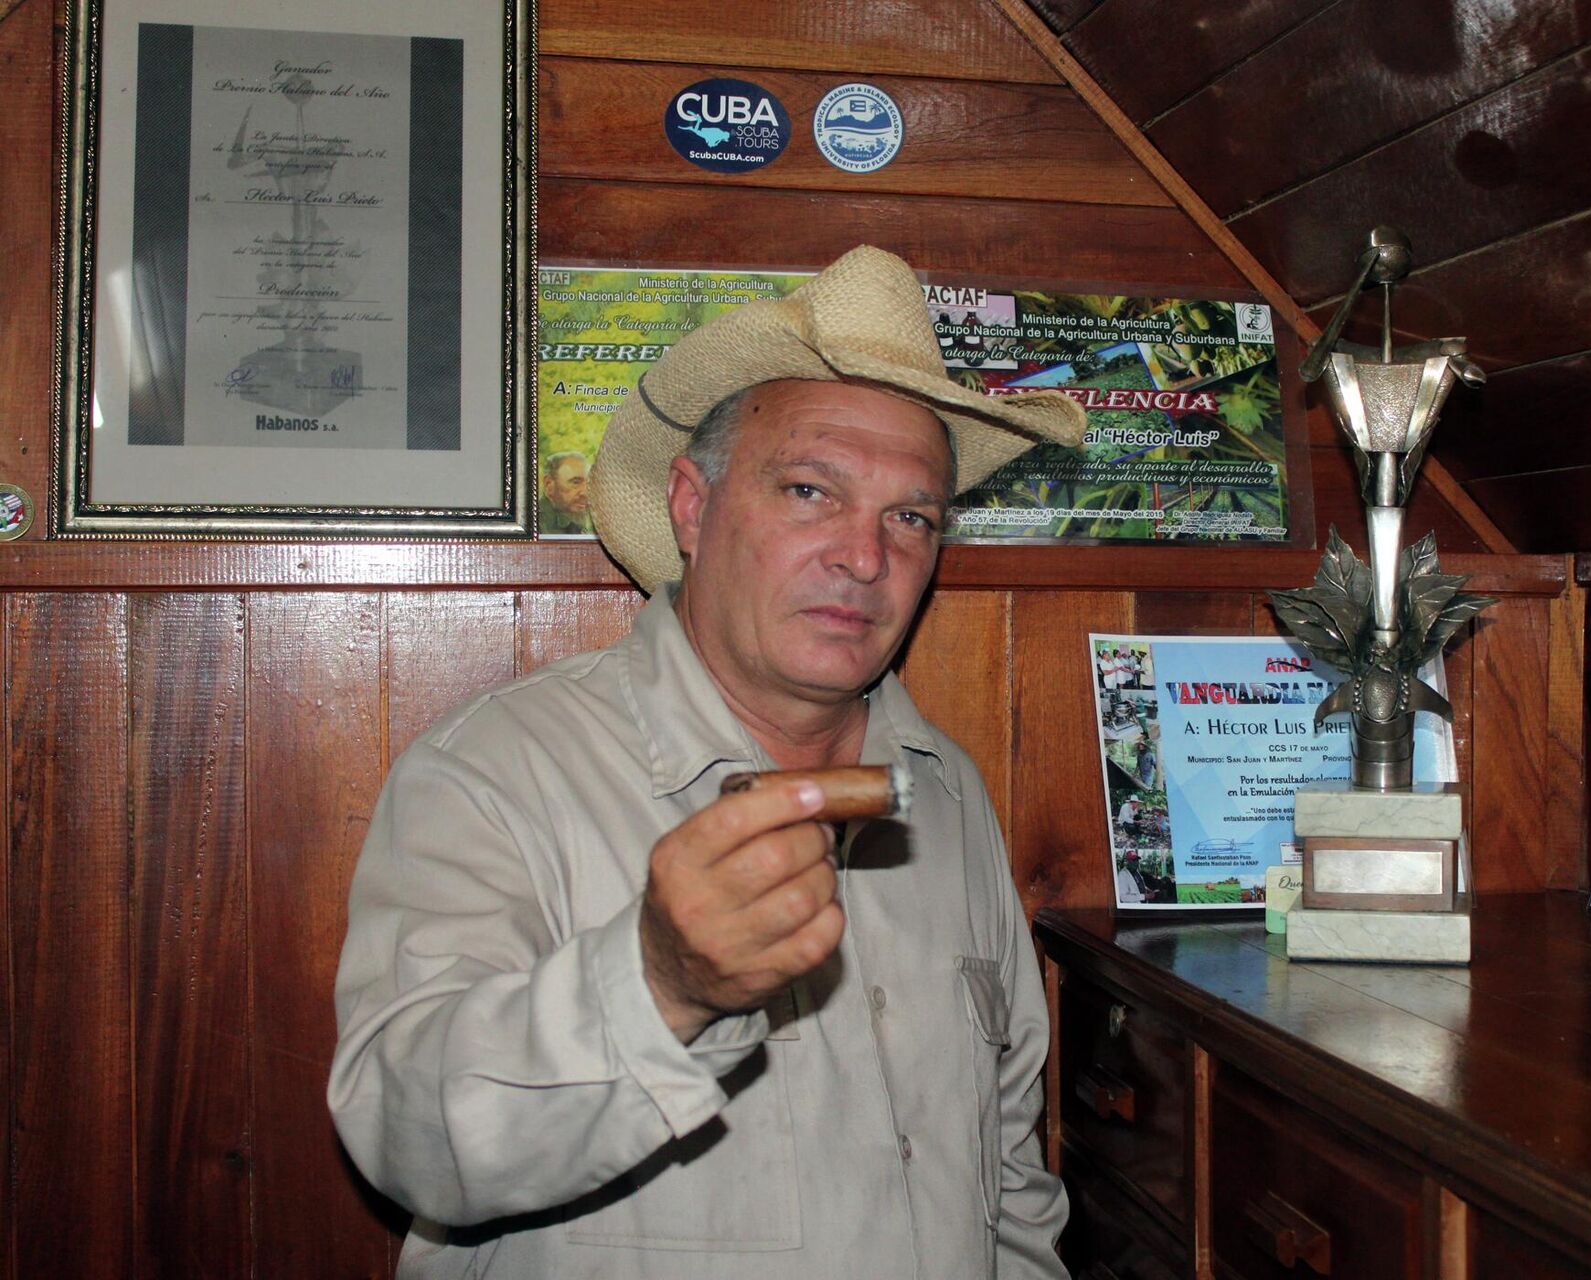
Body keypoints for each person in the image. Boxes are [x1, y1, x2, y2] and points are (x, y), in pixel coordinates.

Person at [328, 246, 1086, 1277]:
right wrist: (658, 981)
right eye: (812, 490)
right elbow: (408, 1136)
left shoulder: (945, 787)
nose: (865, 557)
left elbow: (1008, 1171)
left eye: (910, 515)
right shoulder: (497, 770)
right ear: (692, 506)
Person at [541, 449, 594, 534]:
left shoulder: (575, 524)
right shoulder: (539, 527)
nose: (585, 493)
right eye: (575, 482)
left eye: (589, 483)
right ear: (549, 484)